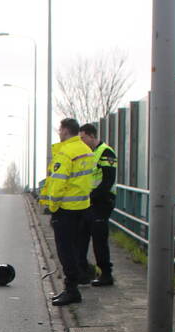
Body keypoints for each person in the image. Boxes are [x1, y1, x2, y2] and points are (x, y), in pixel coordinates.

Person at [39, 118, 96, 306]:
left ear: (65, 130)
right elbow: (92, 181)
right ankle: (75, 284)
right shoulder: (87, 151)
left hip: (66, 210)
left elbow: (58, 183)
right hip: (83, 207)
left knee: (66, 252)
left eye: (60, 129)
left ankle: (71, 290)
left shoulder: (66, 153)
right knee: (76, 249)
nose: (59, 133)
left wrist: (52, 206)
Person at [78, 123, 119, 287]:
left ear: (91, 136)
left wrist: (93, 196)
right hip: (88, 203)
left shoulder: (106, 152)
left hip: (101, 202)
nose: (81, 141)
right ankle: (83, 272)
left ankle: (106, 274)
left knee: (99, 239)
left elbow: (108, 180)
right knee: (81, 237)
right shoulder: (90, 153)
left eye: (83, 138)